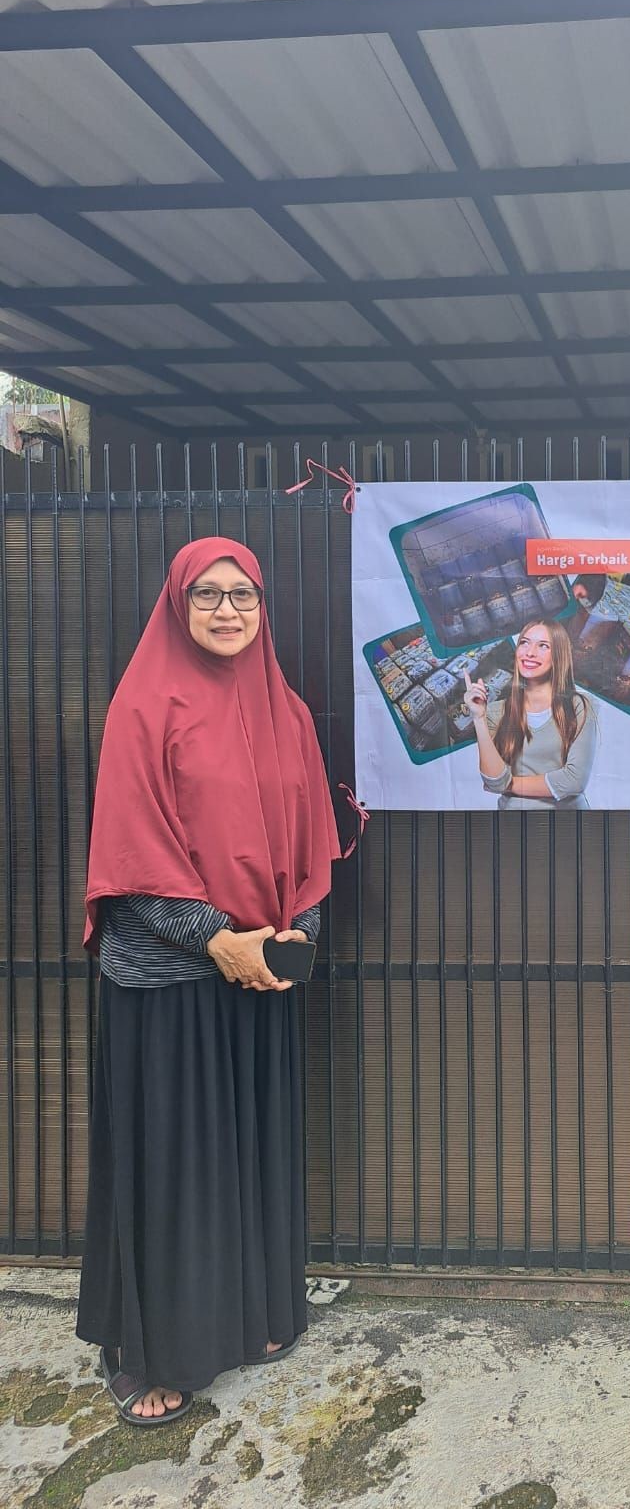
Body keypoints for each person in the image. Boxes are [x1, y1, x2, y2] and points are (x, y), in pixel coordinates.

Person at [76, 536, 342, 1426]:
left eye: (245, 596)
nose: (228, 611)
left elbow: (313, 843)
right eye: (208, 595)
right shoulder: (143, 705)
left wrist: (296, 929)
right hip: (170, 973)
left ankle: (256, 1315)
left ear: (265, 609)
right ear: (178, 605)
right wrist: (214, 936)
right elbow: (130, 849)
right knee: (180, 1167)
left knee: (254, 1149)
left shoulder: (289, 711)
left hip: (261, 969)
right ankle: (158, 1354)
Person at [464, 618, 598, 809]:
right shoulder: (495, 711)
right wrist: (478, 718)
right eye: (524, 643)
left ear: (559, 656)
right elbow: (494, 780)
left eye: (543, 646)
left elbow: (574, 781)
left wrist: (510, 784)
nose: (530, 652)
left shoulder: (581, 705)